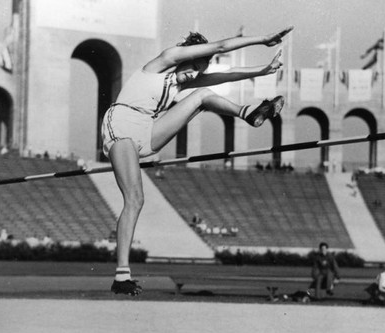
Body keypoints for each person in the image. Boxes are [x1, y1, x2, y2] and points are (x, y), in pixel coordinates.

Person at [103, 26, 294, 295]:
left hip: (147, 133)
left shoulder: (184, 81)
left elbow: (222, 76)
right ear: (184, 56)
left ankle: (248, 113)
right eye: (193, 66)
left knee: (203, 96)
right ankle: (121, 275)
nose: (194, 74)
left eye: (199, 71)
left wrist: (261, 71)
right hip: (122, 124)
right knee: (135, 199)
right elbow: (221, 46)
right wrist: (263, 39)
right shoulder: (164, 61)